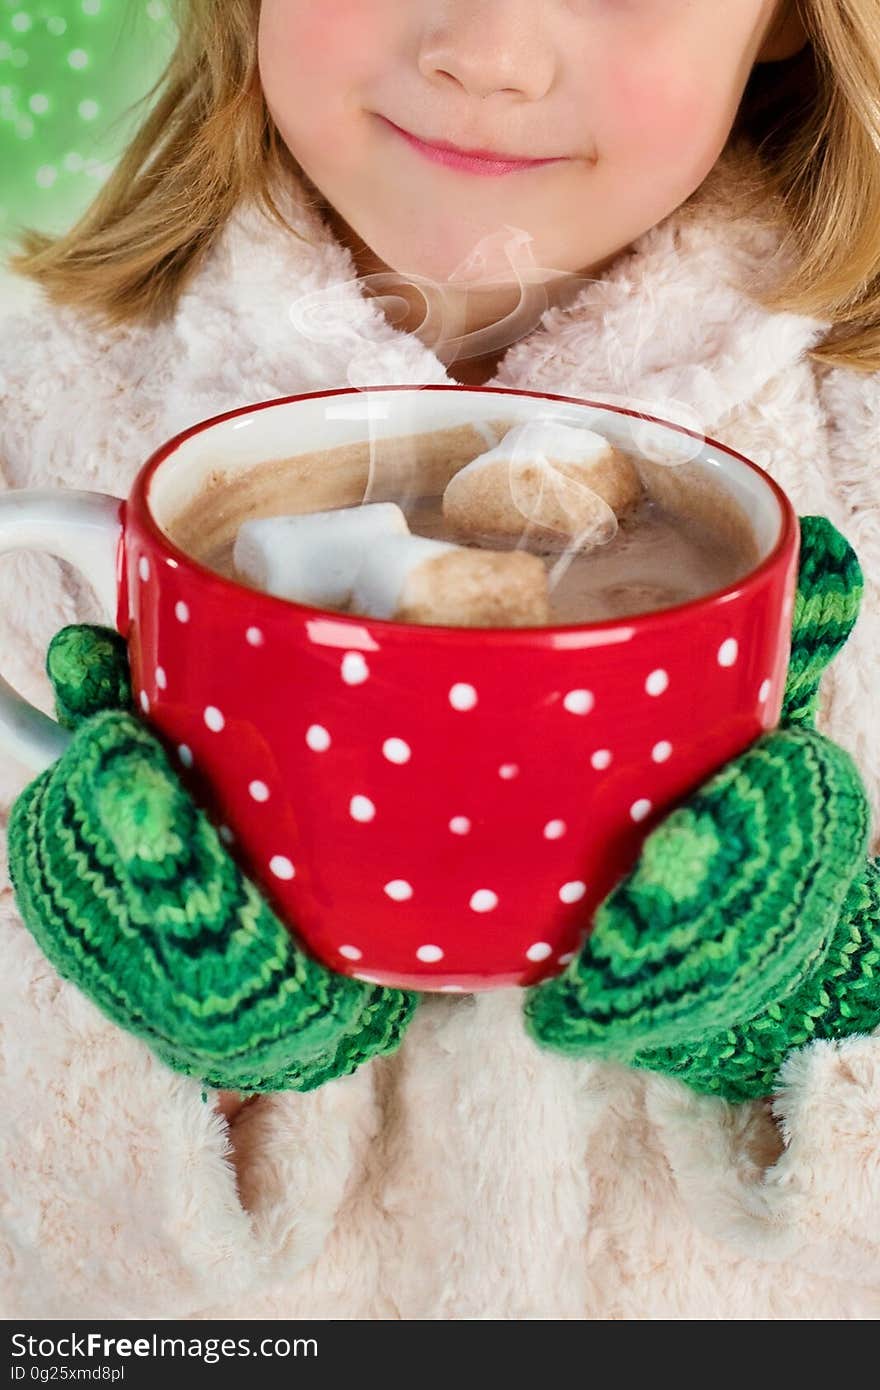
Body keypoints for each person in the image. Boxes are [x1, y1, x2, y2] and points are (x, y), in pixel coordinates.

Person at [0, 0, 879, 1319]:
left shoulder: (855, 445)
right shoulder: (36, 401)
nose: (487, 54)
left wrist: (799, 1008)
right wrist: (171, 1042)